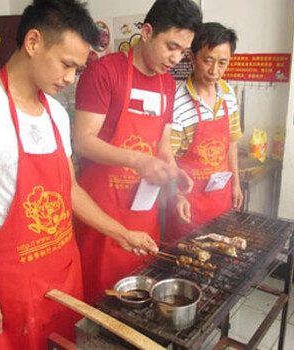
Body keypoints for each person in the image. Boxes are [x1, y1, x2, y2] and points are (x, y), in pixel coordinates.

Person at [0, 0, 158, 348]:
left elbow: (69, 189)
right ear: (33, 42)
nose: (70, 78)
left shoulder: (57, 116)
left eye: (78, 69)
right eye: (66, 64)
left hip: (63, 269)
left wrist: (122, 233)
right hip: (10, 283)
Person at [74, 0, 202, 302]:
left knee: (141, 294)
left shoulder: (168, 85)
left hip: (142, 213)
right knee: (101, 299)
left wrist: (175, 179)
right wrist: (136, 159)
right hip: (102, 211)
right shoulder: (104, 73)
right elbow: (83, 140)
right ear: (146, 32)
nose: (175, 57)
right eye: (171, 46)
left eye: (183, 51)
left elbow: (162, 145)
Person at [165, 22, 244, 242]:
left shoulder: (228, 94)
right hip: (189, 201)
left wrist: (235, 184)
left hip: (220, 197)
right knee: (189, 259)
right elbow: (168, 156)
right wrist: (177, 194)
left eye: (222, 63)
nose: (214, 71)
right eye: (208, 61)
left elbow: (232, 142)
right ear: (192, 57)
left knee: (221, 254)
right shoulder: (177, 102)